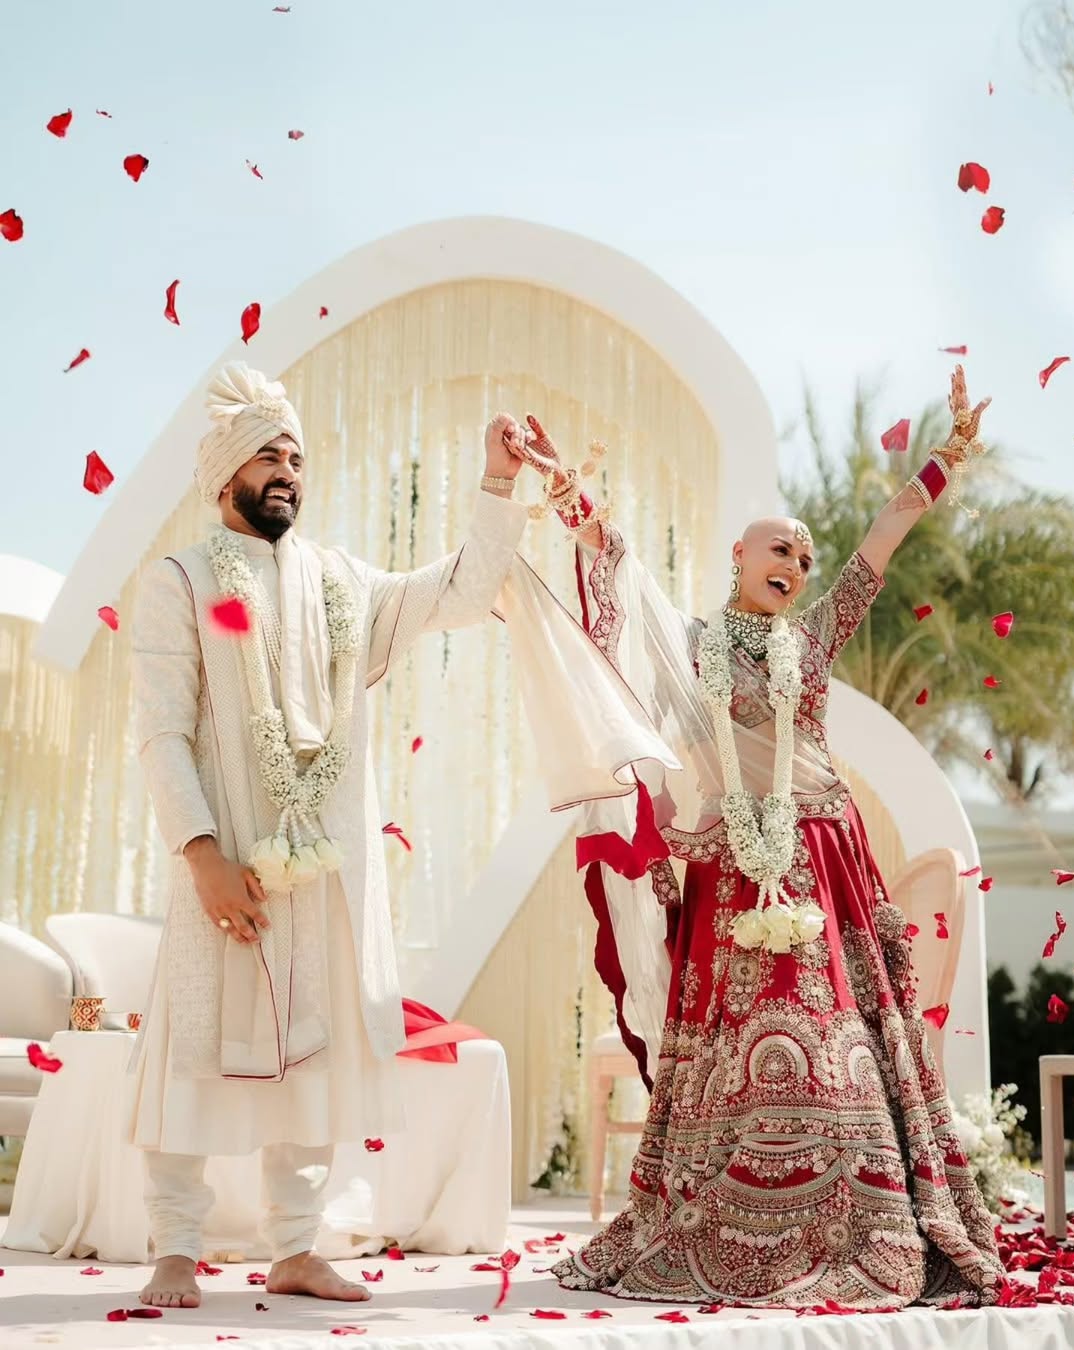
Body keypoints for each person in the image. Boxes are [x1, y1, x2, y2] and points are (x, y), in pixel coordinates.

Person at [496, 367, 1006, 1308]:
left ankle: (849, 1218)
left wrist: (943, 461)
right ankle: (730, 1217)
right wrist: (564, 485)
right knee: (738, 1041)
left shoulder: (813, 639)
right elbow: (617, 565)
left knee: (830, 1031)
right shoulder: (691, 645)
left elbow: (881, 545)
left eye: (807, 559)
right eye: (782, 549)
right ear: (740, 554)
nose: (799, 564)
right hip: (734, 868)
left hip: (822, 861)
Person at [130, 362, 528, 1308]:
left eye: (297, 457)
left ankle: (297, 1248)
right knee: (196, 1039)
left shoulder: (341, 584)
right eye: (266, 453)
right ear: (224, 473)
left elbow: (460, 592)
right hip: (226, 864)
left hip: (322, 872)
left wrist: (498, 484)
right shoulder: (183, 583)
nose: (286, 471)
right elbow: (161, 730)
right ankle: (175, 1246)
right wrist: (204, 859)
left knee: (310, 1057)